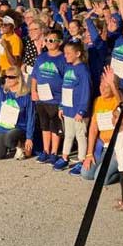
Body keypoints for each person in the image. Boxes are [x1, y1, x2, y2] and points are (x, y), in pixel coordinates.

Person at [77, 66, 123, 180]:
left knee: (101, 178)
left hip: (115, 149)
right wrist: (89, 154)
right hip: (102, 146)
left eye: (106, 86)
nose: (102, 89)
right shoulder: (97, 101)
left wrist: (113, 84)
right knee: (86, 174)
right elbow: (93, 129)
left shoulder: (117, 99)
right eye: (101, 85)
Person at [53, 41, 91, 172]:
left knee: (80, 135)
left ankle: (81, 160)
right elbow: (65, 88)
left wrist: (82, 110)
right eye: (65, 53)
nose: (66, 56)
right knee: (68, 134)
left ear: (78, 53)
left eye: (69, 53)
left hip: (78, 111)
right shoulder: (69, 68)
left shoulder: (83, 70)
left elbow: (86, 91)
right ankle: (64, 157)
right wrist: (61, 106)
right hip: (68, 108)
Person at [31, 29, 67, 165]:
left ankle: (54, 152)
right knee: (44, 125)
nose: (49, 43)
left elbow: (65, 79)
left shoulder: (63, 58)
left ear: (60, 42)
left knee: (55, 126)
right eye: (47, 40)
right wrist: (33, 91)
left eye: (52, 40)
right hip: (41, 97)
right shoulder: (41, 57)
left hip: (56, 98)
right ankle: (46, 150)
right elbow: (34, 76)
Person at [0, 64, 35, 160]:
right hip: (3, 127)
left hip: (19, 128)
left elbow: (30, 118)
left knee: (9, 139)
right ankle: (11, 145)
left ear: (18, 79)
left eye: (11, 77)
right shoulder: (2, 91)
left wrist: (29, 137)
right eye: (6, 76)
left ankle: (20, 144)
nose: (7, 79)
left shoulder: (26, 96)